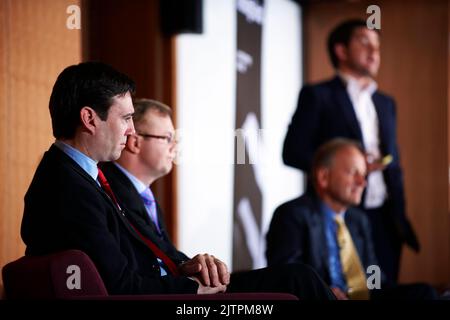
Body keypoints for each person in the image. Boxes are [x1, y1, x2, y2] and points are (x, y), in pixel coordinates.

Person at [21, 62, 334, 299]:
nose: (131, 131)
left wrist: (185, 267)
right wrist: (192, 287)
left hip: (168, 288)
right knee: (298, 280)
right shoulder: (69, 188)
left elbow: (135, 258)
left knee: (297, 277)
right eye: (126, 118)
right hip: (167, 299)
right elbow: (121, 287)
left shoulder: (81, 176)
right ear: (90, 119)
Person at [282, 19, 418, 285]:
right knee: (343, 289)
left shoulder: (385, 102)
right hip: (338, 213)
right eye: (365, 43)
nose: (374, 52)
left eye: (377, 46)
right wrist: (345, 166)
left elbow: (395, 160)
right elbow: (292, 151)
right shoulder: (318, 95)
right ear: (341, 51)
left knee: (380, 290)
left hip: (386, 218)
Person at [267, 138, 437, 300]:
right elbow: (288, 279)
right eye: (353, 172)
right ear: (323, 177)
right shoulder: (291, 215)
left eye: (364, 174)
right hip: (324, 298)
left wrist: (380, 287)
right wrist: (324, 291)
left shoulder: (359, 220)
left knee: (424, 293)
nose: (362, 182)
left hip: (364, 296)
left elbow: (374, 277)